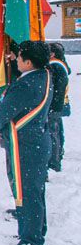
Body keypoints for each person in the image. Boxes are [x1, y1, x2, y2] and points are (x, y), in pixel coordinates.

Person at [0, 40, 53, 245]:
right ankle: (34, 230)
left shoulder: (26, 85)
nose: (16, 59)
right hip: (37, 140)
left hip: (26, 144)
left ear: (28, 63)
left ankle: (31, 238)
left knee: (28, 191)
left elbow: (2, 114)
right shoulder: (43, 76)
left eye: (19, 57)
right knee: (34, 190)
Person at [47, 43, 71, 172]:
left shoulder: (55, 65)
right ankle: (58, 154)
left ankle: (54, 161)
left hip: (55, 105)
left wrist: (54, 106)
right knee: (57, 130)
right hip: (60, 104)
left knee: (53, 132)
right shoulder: (61, 64)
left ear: (52, 54)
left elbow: (57, 88)